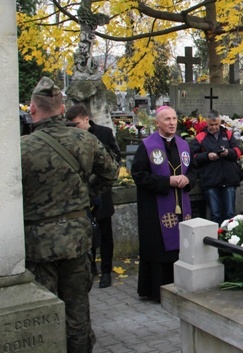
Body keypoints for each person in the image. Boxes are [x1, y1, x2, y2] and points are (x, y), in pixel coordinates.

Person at [22, 77, 118, 353]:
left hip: (38, 244)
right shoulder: (84, 140)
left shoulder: (22, 148)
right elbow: (110, 173)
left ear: (32, 109)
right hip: (77, 239)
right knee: (78, 312)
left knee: (44, 312)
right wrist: (88, 195)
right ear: (62, 108)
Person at [131, 106, 196, 302]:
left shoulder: (184, 145)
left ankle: (180, 285)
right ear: (157, 123)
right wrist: (166, 182)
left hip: (181, 205)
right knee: (159, 248)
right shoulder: (147, 146)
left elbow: (194, 171)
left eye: (174, 118)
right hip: (155, 207)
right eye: (167, 119)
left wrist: (187, 179)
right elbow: (139, 175)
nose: (172, 122)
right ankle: (157, 291)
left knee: (180, 245)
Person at [65, 104, 122, 289]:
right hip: (81, 193)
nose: (74, 128)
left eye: (76, 124)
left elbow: (115, 158)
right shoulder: (69, 136)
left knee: (105, 232)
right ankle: (90, 267)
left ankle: (106, 270)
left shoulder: (104, 133)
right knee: (86, 231)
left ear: (86, 119)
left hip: (101, 191)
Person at [189, 110, 242, 225]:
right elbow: (192, 157)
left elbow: (238, 151)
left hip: (229, 179)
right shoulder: (200, 137)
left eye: (216, 124)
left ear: (220, 122)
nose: (214, 127)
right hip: (210, 180)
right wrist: (207, 156)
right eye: (211, 125)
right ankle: (216, 240)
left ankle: (229, 240)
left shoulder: (227, 134)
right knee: (215, 214)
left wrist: (228, 152)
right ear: (206, 123)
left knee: (230, 214)